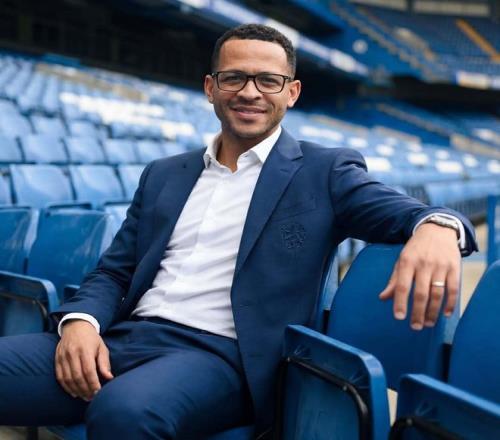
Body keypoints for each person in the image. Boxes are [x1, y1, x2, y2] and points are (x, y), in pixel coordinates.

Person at [0, 24, 476, 439]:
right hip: (126, 337)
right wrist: (80, 323)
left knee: (124, 411)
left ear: (292, 92)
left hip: (224, 357)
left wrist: (437, 226)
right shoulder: (164, 173)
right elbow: (114, 271)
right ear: (211, 87)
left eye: (268, 80)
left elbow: (403, 212)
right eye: (234, 78)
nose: (250, 92)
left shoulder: (325, 171)